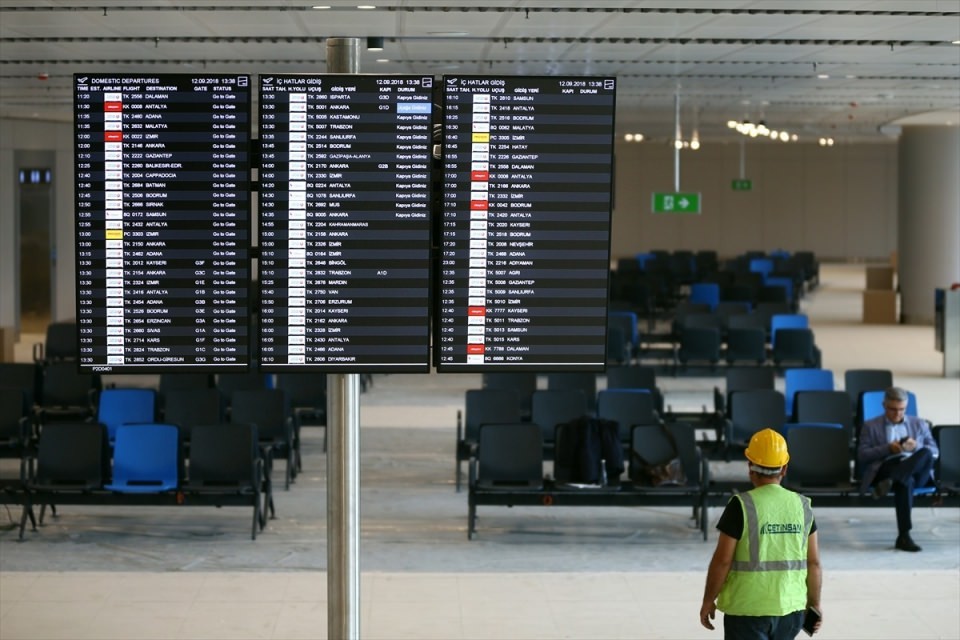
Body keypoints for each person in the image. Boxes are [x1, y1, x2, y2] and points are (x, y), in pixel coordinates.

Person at [700, 428, 822, 639]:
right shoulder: (802, 506)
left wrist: (709, 600)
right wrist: (814, 604)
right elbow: (814, 563)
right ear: (784, 469)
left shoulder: (741, 505)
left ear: (750, 467)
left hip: (747, 611)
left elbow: (722, 560)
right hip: (790, 610)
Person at [857, 386, 939, 552]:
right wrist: (888, 448)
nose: (897, 414)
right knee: (906, 481)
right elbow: (862, 455)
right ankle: (904, 536)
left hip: (915, 468)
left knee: (925, 452)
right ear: (884, 406)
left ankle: (893, 480)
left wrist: (916, 447)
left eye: (901, 409)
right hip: (888, 465)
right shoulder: (871, 425)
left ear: (906, 407)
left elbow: (935, 452)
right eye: (892, 409)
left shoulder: (919, 424)